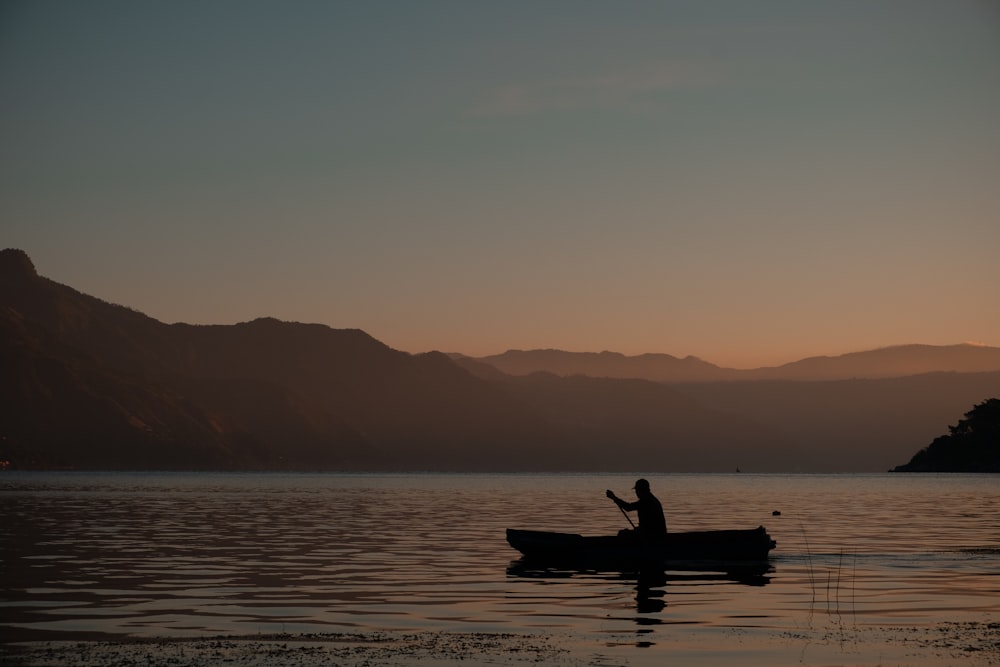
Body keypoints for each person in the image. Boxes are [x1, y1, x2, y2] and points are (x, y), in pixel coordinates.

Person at [606, 478, 667, 543]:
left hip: (652, 536)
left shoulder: (646, 501)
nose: (636, 492)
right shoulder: (653, 500)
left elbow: (628, 507)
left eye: (637, 490)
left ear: (641, 490)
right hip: (658, 534)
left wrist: (614, 497)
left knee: (622, 534)